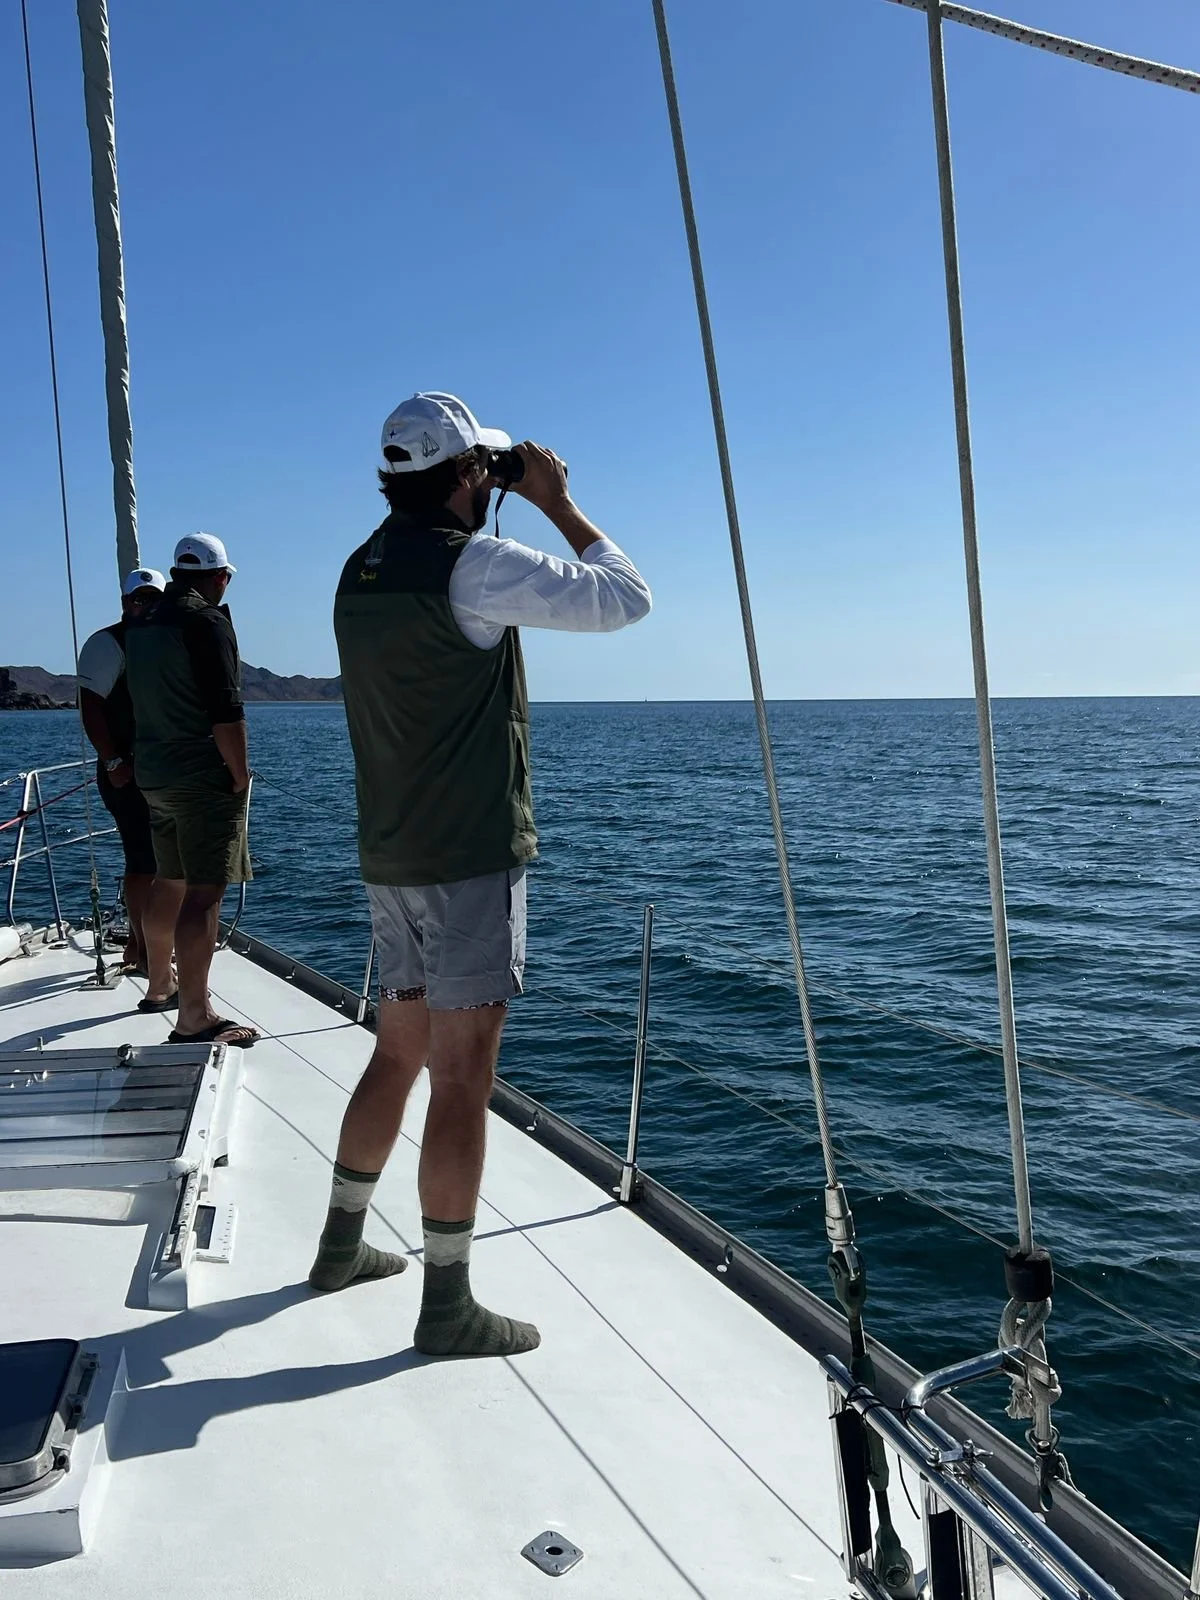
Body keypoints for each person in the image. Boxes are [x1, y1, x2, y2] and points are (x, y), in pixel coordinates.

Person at [310, 392, 651, 1359]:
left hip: (393, 855)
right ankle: (448, 1305)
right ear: (465, 475)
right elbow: (625, 597)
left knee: (396, 1052)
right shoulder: (472, 568)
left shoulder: (357, 570)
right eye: (482, 471)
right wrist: (554, 501)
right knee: (462, 1079)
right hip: (467, 861)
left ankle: (340, 1246)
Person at [124, 532, 260, 1048]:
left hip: (153, 773)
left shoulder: (142, 624)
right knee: (204, 893)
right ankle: (194, 1017)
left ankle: (163, 986)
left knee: (171, 879)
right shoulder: (206, 621)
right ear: (220, 577)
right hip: (200, 776)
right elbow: (227, 709)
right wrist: (240, 773)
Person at [77, 567, 167, 990]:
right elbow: (91, 707)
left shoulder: (169, 640)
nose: (145, 605)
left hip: (165, 767)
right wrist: (112, 762)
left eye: (153, 598)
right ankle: (143, 948)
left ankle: (143, 945)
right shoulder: (106, 643)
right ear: (124, 602)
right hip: (126, 769)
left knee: (167, 861)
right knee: (144, 860)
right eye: (138, 598)